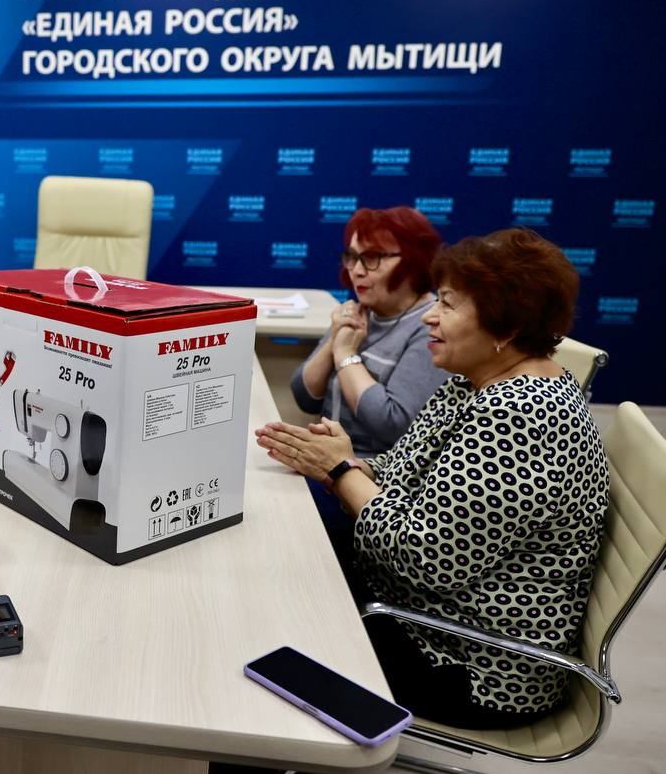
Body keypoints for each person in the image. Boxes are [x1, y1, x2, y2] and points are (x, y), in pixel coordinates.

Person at [255, 228, 609, 728]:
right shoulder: (474, 380)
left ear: (507, 326)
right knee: (276, 547)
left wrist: (339, 470)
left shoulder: (522, 416)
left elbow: (421, 557)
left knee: (264, 623)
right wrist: (342, 462)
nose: (429, 316)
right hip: (414, 608)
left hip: (465, 661)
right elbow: (401, 472)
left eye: (448, 304)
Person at [291, 206, 448, 458]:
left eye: (372, 257)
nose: (357, 270)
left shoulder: (431, 326)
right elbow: (304, 397)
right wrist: (334, 340)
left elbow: (394, 425)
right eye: (352, 257)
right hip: (325, 460)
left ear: (414, 261)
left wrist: (345, 354)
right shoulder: (361, 311)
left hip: (375, 474)